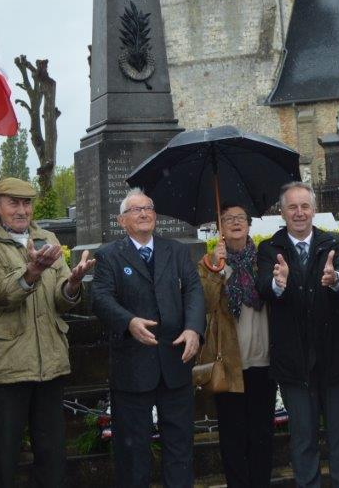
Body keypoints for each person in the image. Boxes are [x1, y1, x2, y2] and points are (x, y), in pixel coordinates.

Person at [0, 177, 97, 486]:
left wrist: (74, 282)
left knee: (52, 454)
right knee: (6, 455)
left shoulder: (47, 236)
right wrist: (32, 271)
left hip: (50, 364)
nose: (22, 210)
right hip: (11, 366)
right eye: (13, 202)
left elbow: (60, 300)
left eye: (27, 203)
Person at [90, 188, 205, 488]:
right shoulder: (108, 256)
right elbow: (100, 298)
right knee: (133, 453)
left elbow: (193, 291)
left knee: (180, 448)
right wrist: (127, 322)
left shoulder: (177, 251)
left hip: (175, 362)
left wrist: (194, 328)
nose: (143, 213)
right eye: (135, 210)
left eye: (148, 208)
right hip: (132, 368)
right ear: (121, 220)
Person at [256, 181, 339, 488]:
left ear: (314, 210)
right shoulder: (270, 249)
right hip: (294, 364)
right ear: (282, 212)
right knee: (303, 442)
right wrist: (279, 283)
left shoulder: (334, 242)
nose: (299, 213)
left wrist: (335, 278)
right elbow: (264, 286)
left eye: (305, 206)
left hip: (337, 361)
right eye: (292, 207)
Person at [196, 201, 276, 488]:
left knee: (262, 435)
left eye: (241, 218)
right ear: (220, 229)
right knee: (232, 437)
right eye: (228, 218)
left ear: (249, 225)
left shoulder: (264, 258)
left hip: (264, 359)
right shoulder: (209, 263)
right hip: (229, 362)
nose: (235, 222)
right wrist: (216, 269)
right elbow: (203, 302)